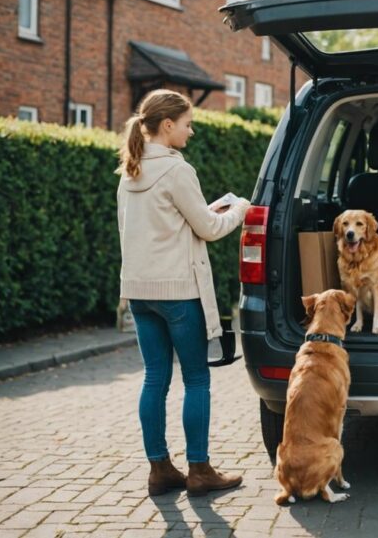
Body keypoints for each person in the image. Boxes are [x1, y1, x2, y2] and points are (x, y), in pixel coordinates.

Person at [116, 89, 251, 497]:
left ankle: (159, 470)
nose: (191, 132)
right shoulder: (177, 170)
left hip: (140, 293)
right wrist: (241, 209)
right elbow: (209, 230)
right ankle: (200, 471)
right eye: (188, 124)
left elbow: (158, 226)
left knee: (155, 377)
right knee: (196, 379)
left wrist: (206, 211)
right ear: (168, 124)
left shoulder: (130, 171)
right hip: (178, 292)